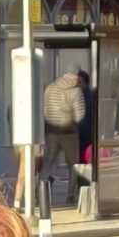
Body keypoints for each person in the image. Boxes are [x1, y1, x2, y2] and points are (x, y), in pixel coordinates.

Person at [42, 67, 86, 204]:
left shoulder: (49, 88)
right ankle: (71, 195)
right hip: (69, 132)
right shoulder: (76, 92)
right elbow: (80, 117)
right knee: (72, 164)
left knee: (48, 161)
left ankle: (40, 190)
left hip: (50, 131)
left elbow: (44, 111)